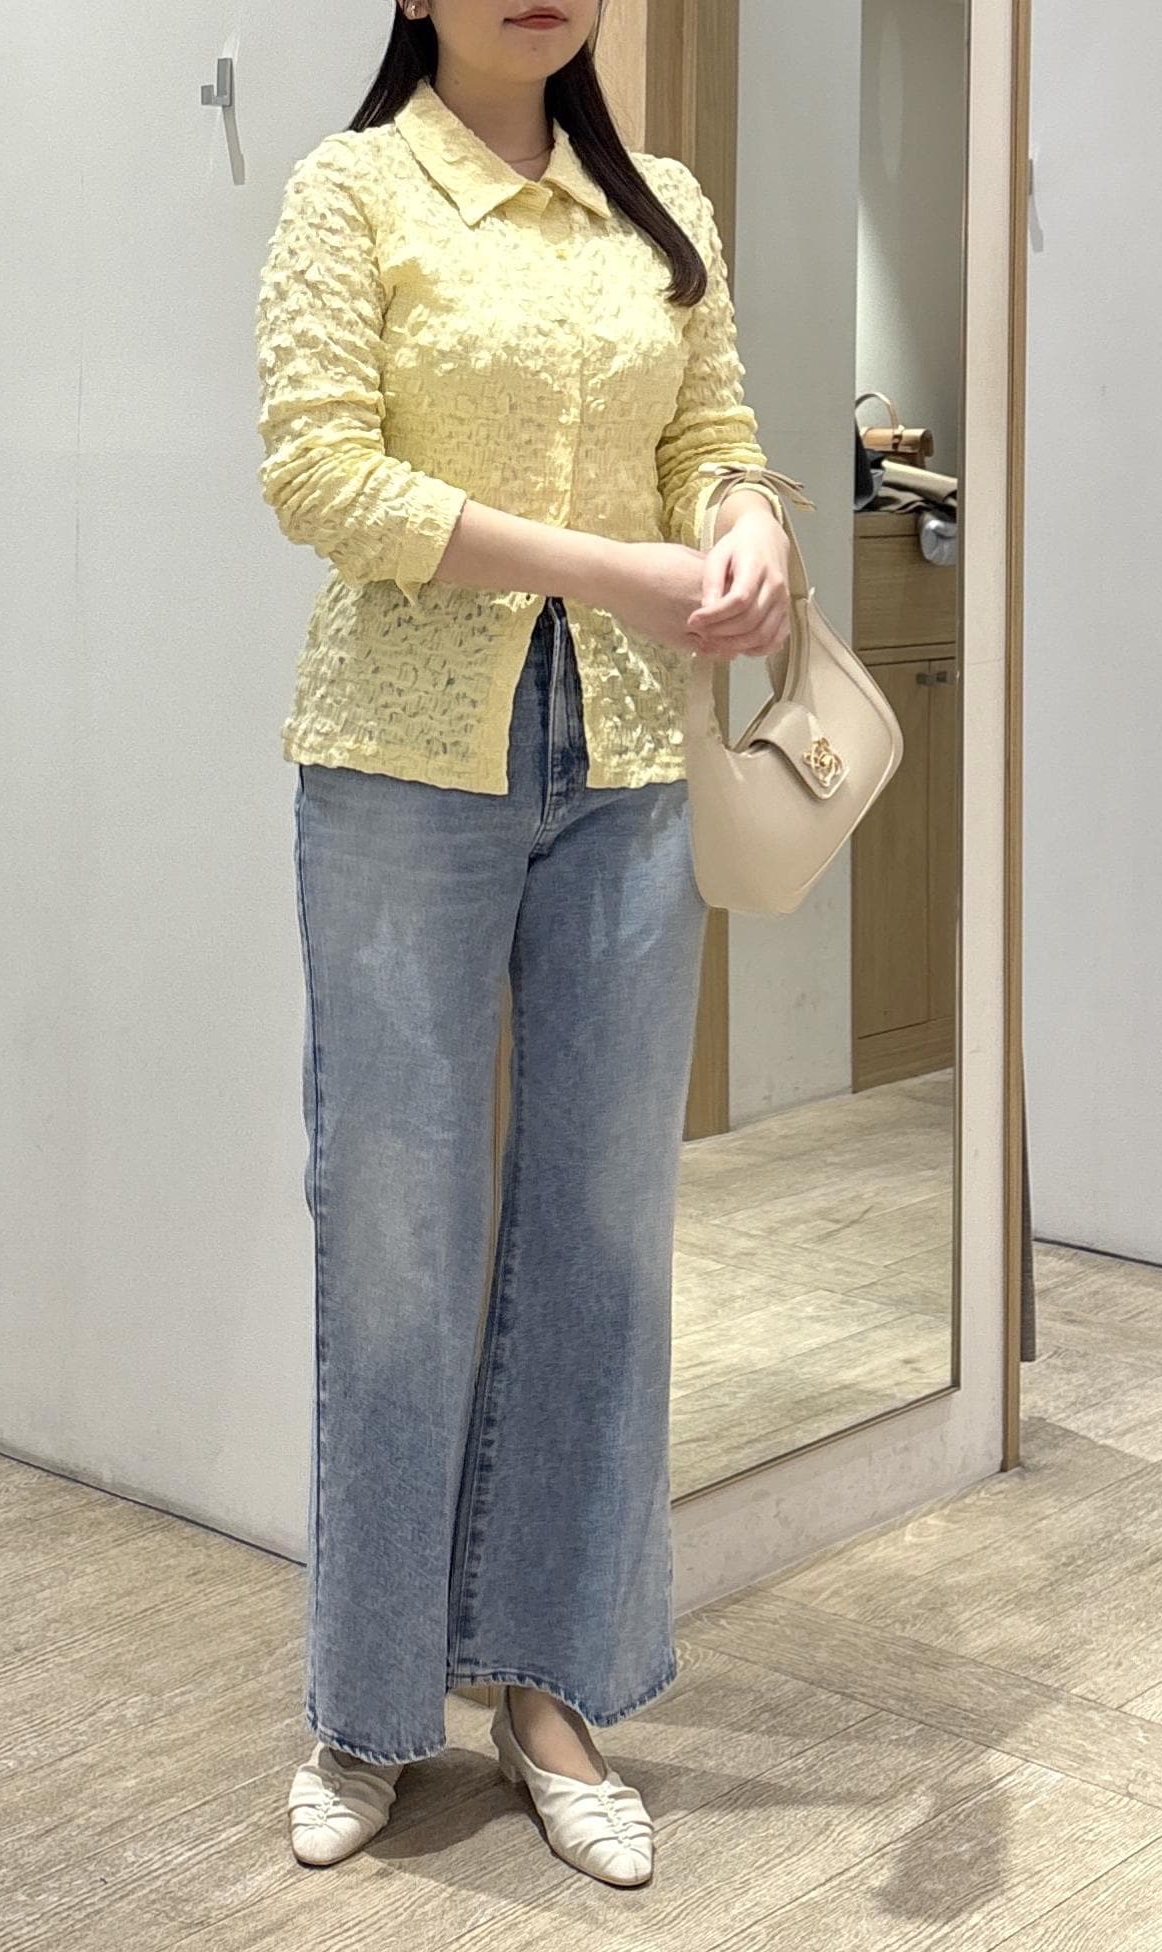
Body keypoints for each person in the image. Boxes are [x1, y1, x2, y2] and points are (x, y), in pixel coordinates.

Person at [254, 0, 790, 1888]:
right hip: (400, 762)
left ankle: (552, 1691)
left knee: (600, 1229)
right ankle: (367, 1701)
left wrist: (742, 521)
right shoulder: (350, 190)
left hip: (633, 765)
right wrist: (612, 567)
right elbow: (319, 475)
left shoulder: (663, 205)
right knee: (397, 1230)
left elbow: (713, 434)